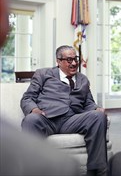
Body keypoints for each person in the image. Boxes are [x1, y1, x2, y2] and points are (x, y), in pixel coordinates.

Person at [20, 45, 108, 176]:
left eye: (75, 59)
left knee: (98, 116)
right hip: (47, 118)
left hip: (72, 120)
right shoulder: (43, 74)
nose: (74, 63)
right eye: (69, 60)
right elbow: (27, 98)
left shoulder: (83, 79)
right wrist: (34, 109)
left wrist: (96, 108)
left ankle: (97, 171)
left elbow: (88, 102)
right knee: (31, 120)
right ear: (58, 61)